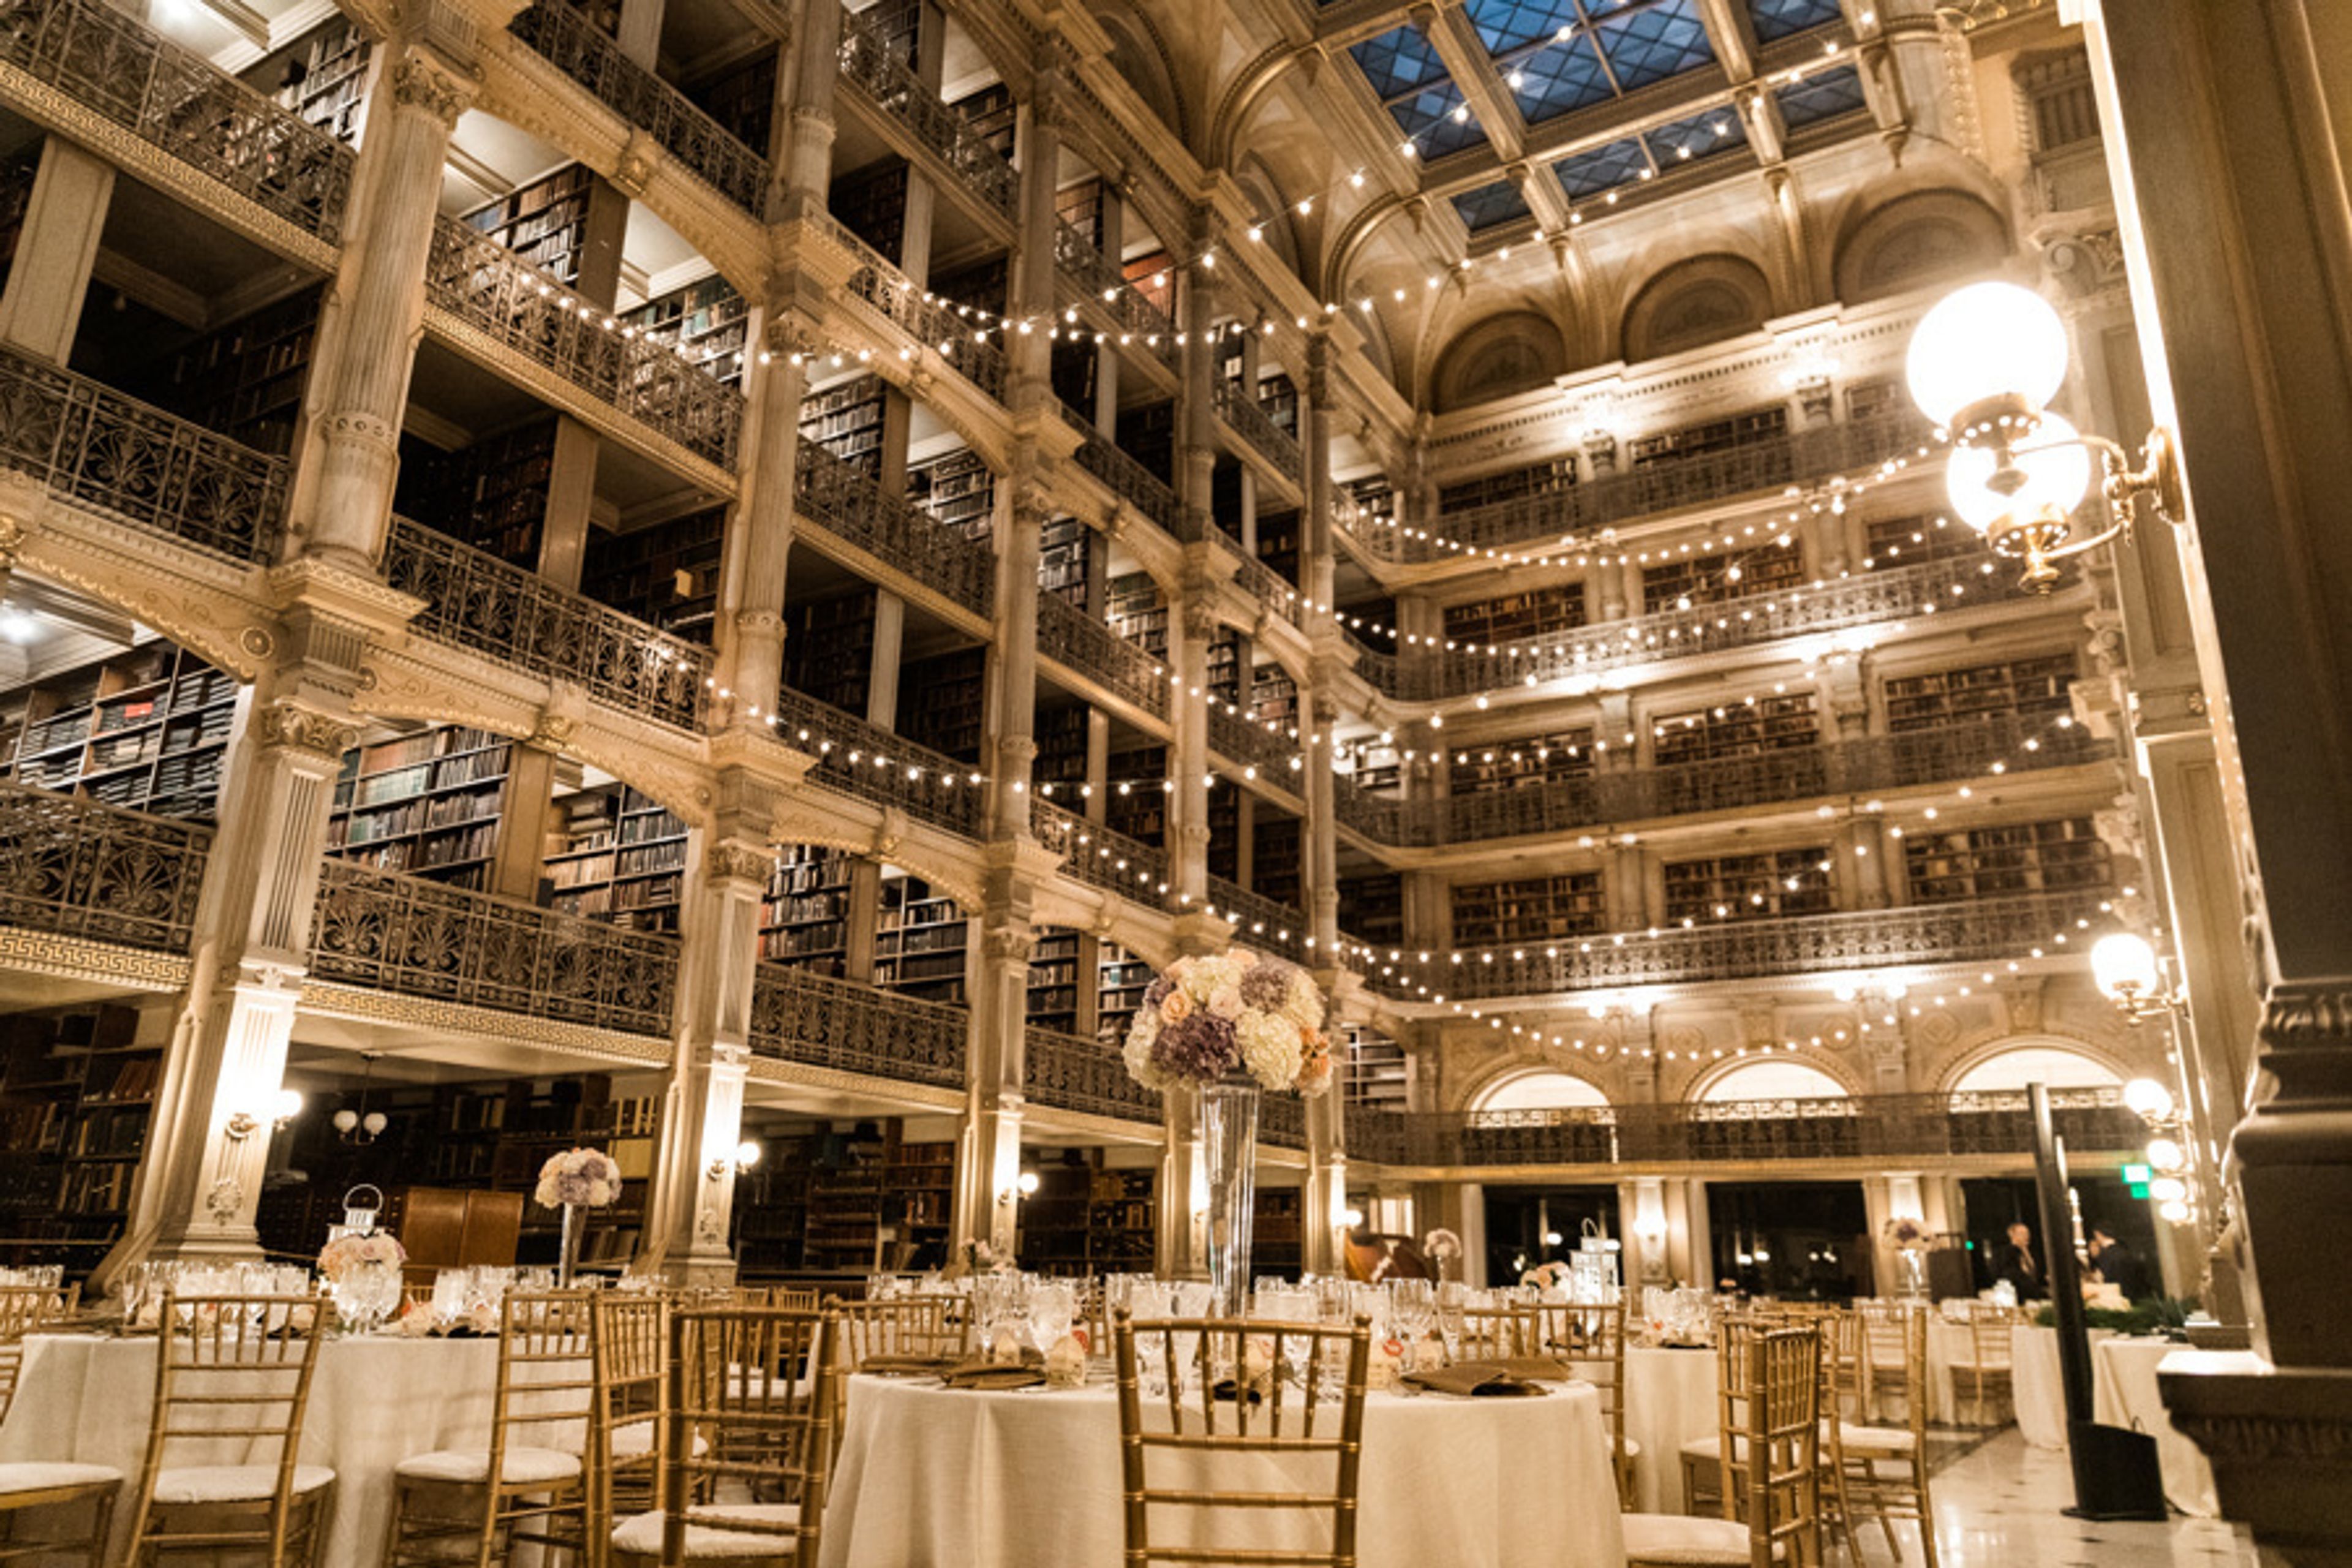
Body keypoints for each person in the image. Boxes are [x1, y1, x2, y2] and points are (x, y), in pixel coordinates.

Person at [2088, 1226, 2150, 1301]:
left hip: (2116, 1296)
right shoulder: (2126, 1252)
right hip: (2136, 1295)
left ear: (2099, 1235)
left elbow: (2106, 1278)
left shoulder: (2106, 1256)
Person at [1994, 1221, 2046, 1300]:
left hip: (2037, 1293)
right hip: (2020, 1294)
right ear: (2013, 1235)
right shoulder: (2007, 1253)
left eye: (2027, 1233)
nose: (2026, 1236)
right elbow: (2011, 1273)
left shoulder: (2033, 1252)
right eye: (2022, 1234)